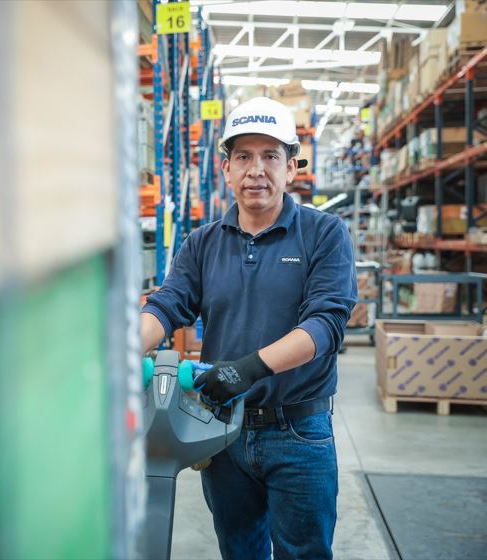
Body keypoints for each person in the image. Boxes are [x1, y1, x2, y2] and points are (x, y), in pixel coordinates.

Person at [140, 96, 357, 560]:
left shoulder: (324, 233)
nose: (256, 169)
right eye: (243, 156)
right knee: (239, 551)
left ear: (291, 167)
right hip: (223, 431)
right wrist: (117, 351)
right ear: (226, 168)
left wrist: (246, 370)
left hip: (298, 431)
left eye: (270, 156)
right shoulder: (202, 243)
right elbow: (167, 304)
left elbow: (325, 325)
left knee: (304, 554)